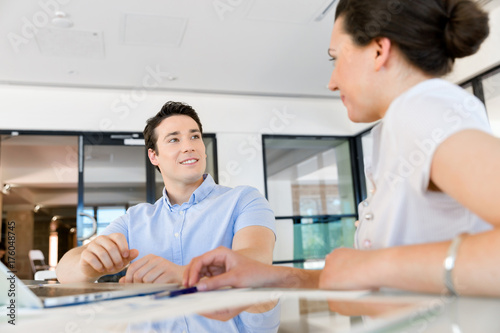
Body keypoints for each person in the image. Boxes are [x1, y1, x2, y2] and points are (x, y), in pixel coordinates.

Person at [183, 0, 500, 297]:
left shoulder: (422, 110)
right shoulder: (396, 129)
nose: (332, 82)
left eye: (336, 59)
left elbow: (376, 272)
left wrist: (378, 265)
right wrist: (270, 276)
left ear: (378, 51)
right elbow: (378, 283)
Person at [56, 101, 276, 285]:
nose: (189, 146)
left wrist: (184, 274)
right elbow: (65, 271)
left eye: (195, 136)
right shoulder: (135, 220)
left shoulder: (244, 200)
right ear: (154, 157)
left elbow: (257, 261)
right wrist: (89, 265)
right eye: (174, 139)